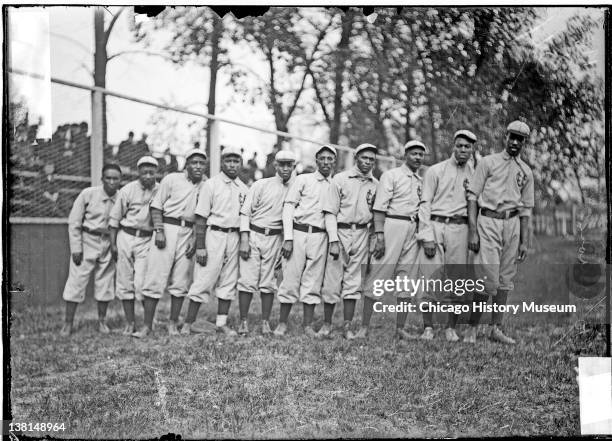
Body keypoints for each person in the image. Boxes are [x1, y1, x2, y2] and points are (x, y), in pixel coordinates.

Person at [464, 120, 534, 344]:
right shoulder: (488, 162)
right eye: (511, 137)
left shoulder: (526, 171)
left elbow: (525, 210)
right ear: (505, 137)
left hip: (512, 224)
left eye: (519, 139)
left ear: (524, 143)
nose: (515, 142)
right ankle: (472, 328)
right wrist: (473, 231)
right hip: (488, 221)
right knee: (487, 278)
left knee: (505, 279)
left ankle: (495, 329)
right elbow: (473, 197)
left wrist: (524, 241)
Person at [132, 149, 207, 338]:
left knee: (181, 281)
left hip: (189, 232)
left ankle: (172, 323)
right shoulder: (172, 179)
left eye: (201, 163)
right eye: (194, 162)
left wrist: (195, 239)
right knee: (154, 278)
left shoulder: (206, 185)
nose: (198, 166)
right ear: (186, 164)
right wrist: (158, 230)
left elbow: (203, 216)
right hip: (167, 227)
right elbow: (156, 206)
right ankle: (147, 325)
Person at [358, 140, 426, 340]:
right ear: (405, 154)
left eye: (421, 154)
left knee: (407, 279)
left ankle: (400, 329)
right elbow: (379, 207)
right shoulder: (392, 175)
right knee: (378, 274)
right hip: (392, 225)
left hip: (413, 229)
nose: (417, 157)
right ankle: (364, 327)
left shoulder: (420, 181)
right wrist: (379, 234)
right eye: (414, 153)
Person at [416, 130, 476, 342]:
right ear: (453, 146)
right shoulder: (436, 170)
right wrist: (427, 236)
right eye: (459, 145)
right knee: (430, 277)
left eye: (467, 147)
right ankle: (428, 327)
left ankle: (451, 327)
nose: (462, 150)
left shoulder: (474, 173)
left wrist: (473, 232)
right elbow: (424, 204)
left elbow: (473, 205)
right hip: (436, 224)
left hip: (459, 229)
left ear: (472, 150)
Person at [183, 146, 248, 336]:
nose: (232, 164)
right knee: (204, 278)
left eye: (236, 161)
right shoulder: (211, 184)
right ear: (222, 162)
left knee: (229, 280)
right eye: (229, 160)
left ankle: (221, 323)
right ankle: (189, 322)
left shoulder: (243, 188)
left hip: (234, 235)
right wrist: (200, 246)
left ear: (241, 164)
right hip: (214, 235)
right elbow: (201, 218)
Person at [274, 145, 336, 337]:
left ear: (334, 162)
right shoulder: (303, 179)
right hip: (299, 232)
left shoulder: (335, 184)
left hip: (321, 235)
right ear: (317, 161)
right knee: (290, 279)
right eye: (322, 158)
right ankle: (282, 323)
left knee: (313, 281)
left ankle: (307, 325)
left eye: (330, 159)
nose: (326, 162)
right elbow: (288, 208)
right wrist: (289, 237)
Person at [318, 143, 379, 339]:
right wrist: (333, 240)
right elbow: (330, 212)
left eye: (371, 159)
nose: (367, 162)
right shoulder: (340, 179)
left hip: (361, 232)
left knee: (354, 282)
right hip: (340, 231)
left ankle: (347, 325)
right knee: (332, 280)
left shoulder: (375, 184)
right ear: (356, 157)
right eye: (364, 158)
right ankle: (327, 324)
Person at [237, 150, 297, 336]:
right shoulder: (261, 184)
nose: (285, 168)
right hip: (255, 233)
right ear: (275, 165)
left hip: (276, 238)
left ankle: (265, 322)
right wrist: (245, 239)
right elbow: (245, 212)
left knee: (268, 282)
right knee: (247, 280)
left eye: (289, 165)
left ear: (294, 167)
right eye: (282, 164)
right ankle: (243, 322)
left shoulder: (297, 187)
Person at [59, 163, 122, 337]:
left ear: (120, 180)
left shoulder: (122, 197)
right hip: (88, 241)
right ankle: (68, 323)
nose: (111, 181)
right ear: (102, 179)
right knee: (76, 282)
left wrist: (117, 245)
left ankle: (102, 321)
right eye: (108, 178)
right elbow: (74, 222)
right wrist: (76, 248)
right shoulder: (88, 194)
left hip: (109, 242)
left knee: (105, 283)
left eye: (115, 178)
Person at [108, 156, 159, 335]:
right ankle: (130, 323)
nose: (147, 176)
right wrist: (113, 244)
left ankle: (147, 323)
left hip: (146, 239)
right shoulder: (128, 190)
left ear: (156, 173)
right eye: (144, 172)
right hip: (126, 236)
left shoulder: (160, 190)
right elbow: (114, 220)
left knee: (142, 283)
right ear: (138, 172)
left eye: (151, 172)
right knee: (124, 282)